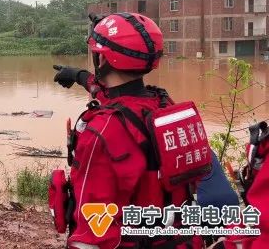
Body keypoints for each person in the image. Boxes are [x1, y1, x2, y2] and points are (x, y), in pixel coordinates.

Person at [53, 13, 222, 248]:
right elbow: (119, 99)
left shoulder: (101, 132)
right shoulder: (164, 106)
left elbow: (93, 232)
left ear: (101, 59)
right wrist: (79, 76)